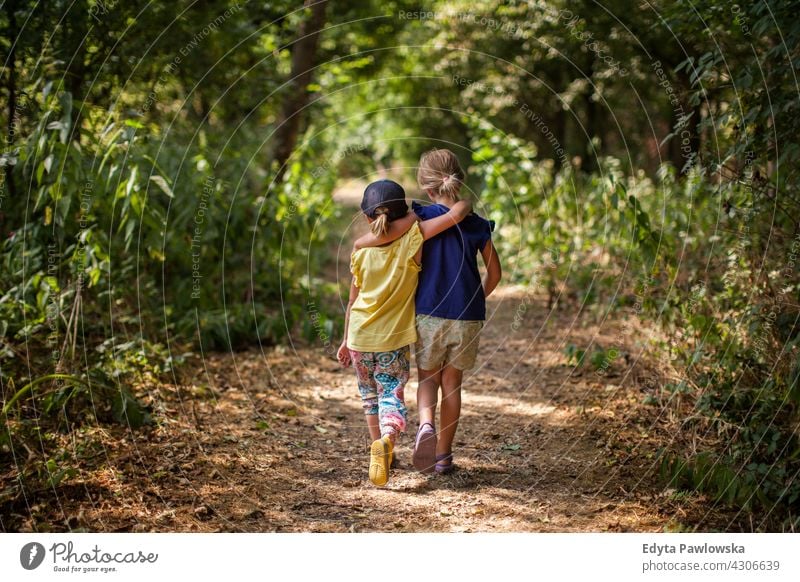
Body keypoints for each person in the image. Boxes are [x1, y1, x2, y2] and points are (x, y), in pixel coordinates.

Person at [355, 149, 502, 475]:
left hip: (428, 313)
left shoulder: (419, 216)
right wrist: (476, 299)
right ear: (459, 179)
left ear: (425, 184)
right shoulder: (478, 225)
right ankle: (444, 456)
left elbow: (387, 235)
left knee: (428, 379)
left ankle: (424, 425)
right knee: (453, 385)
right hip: (467, 316)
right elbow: (494, 275)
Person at [337, 179, 472, 487]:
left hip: (359, 337)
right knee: (390, 394)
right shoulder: (413, 237)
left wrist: (346, 340)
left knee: (369, 397)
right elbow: (457, 214)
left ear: (368, 217)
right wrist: (420, 214)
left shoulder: (359, 252)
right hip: (392, 339)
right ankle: (386, 439)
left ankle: (384, 454)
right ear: (402, 213)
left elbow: (352, 300)